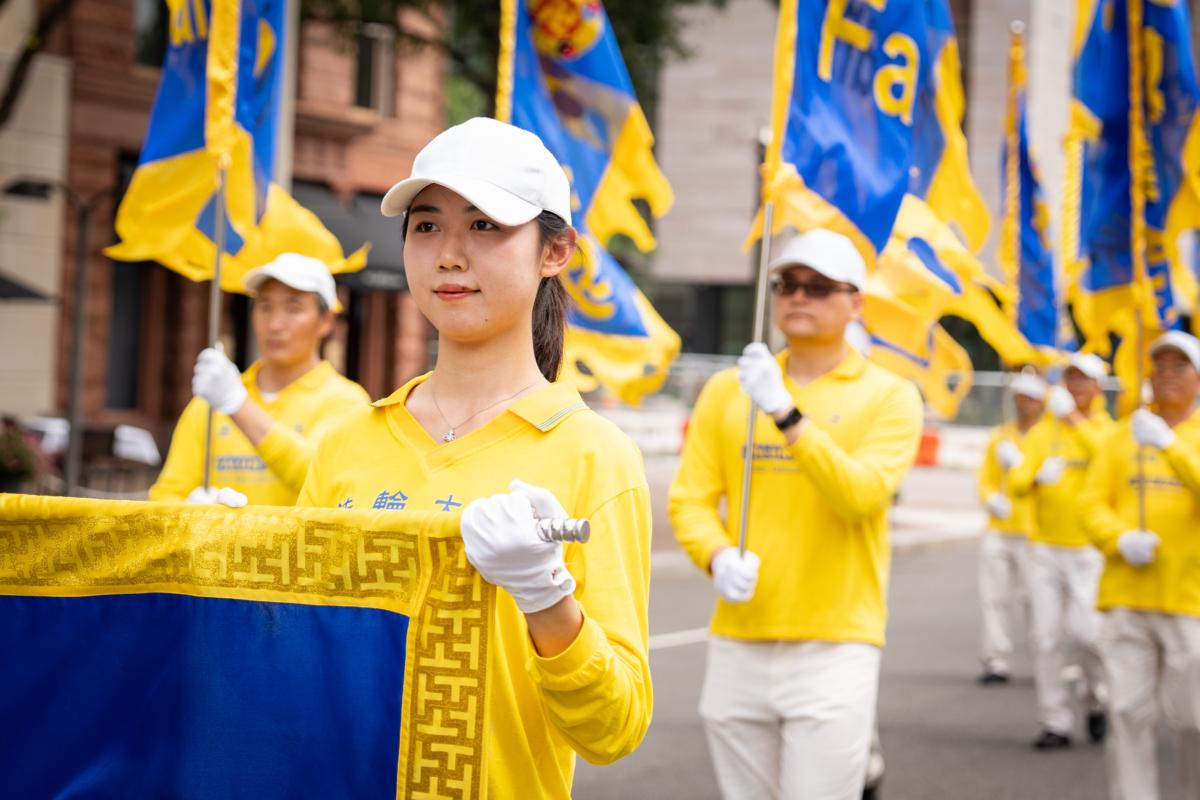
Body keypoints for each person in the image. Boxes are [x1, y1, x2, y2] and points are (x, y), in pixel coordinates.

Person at [294, 118, 653, 799]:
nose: (450, 255)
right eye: (426, 226)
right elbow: (298, 658)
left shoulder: (594, 456)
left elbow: (616, 727)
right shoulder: (347, 443)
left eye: (485, 225)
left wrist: (547, 600)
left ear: (556, 251)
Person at [669, 229, 924, 800]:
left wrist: (785, 412)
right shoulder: (725, 392)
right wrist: (714, 554)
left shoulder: (890, 396)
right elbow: (689, 497)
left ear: (855, 302)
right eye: (787, 285)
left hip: (835, 643)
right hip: (740, 636)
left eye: (819, 287)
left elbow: (860, 495)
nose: (798, 297)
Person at [1080, 331, 1200, 800]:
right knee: (1127, 716)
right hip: (1126, 596)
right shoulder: (1120, 435)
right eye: (1161, 366)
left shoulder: (1176, 437)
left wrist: (1171, 446)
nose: (1167, 375)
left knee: (1192, 719)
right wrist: (1119, 539)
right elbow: (1090, 504)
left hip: (1189, 601)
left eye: (1179, 366)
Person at [149, 254, 369, 506]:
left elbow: (324, 479)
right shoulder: (210, 402)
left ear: (326, 321)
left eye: (293, 308)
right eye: (265, 307)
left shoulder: (347, 403)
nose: (274, 324)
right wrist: (189, 513)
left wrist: (238, 405)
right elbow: (164, 496)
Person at [1008, 352, 1114, 749]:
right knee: (1046, 637)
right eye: (1070, 378)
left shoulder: (1107, 429)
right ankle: (1055, 719)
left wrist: (1074, 420)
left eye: (1084, 380)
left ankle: (1096, 698)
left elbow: (1105, 459)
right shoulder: (1043, 432)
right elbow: (1016, 482)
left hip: (1088, 549)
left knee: (1086, 633)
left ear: (1098, 388)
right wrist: (1035, 476)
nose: (1075, 387)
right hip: (1045, 548)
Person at [976, 372, 1047, 684]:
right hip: (999, 528)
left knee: (1035, 600)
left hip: (1034, 531)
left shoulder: (1049, 438)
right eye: (1019, 397)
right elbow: (985, 480)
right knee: (994, 597)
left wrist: (1021, 467)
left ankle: (1043, 659)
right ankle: (996, 659)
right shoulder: (1000, 436)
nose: (1024, 404)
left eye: (1030, 398)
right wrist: (991, 499)